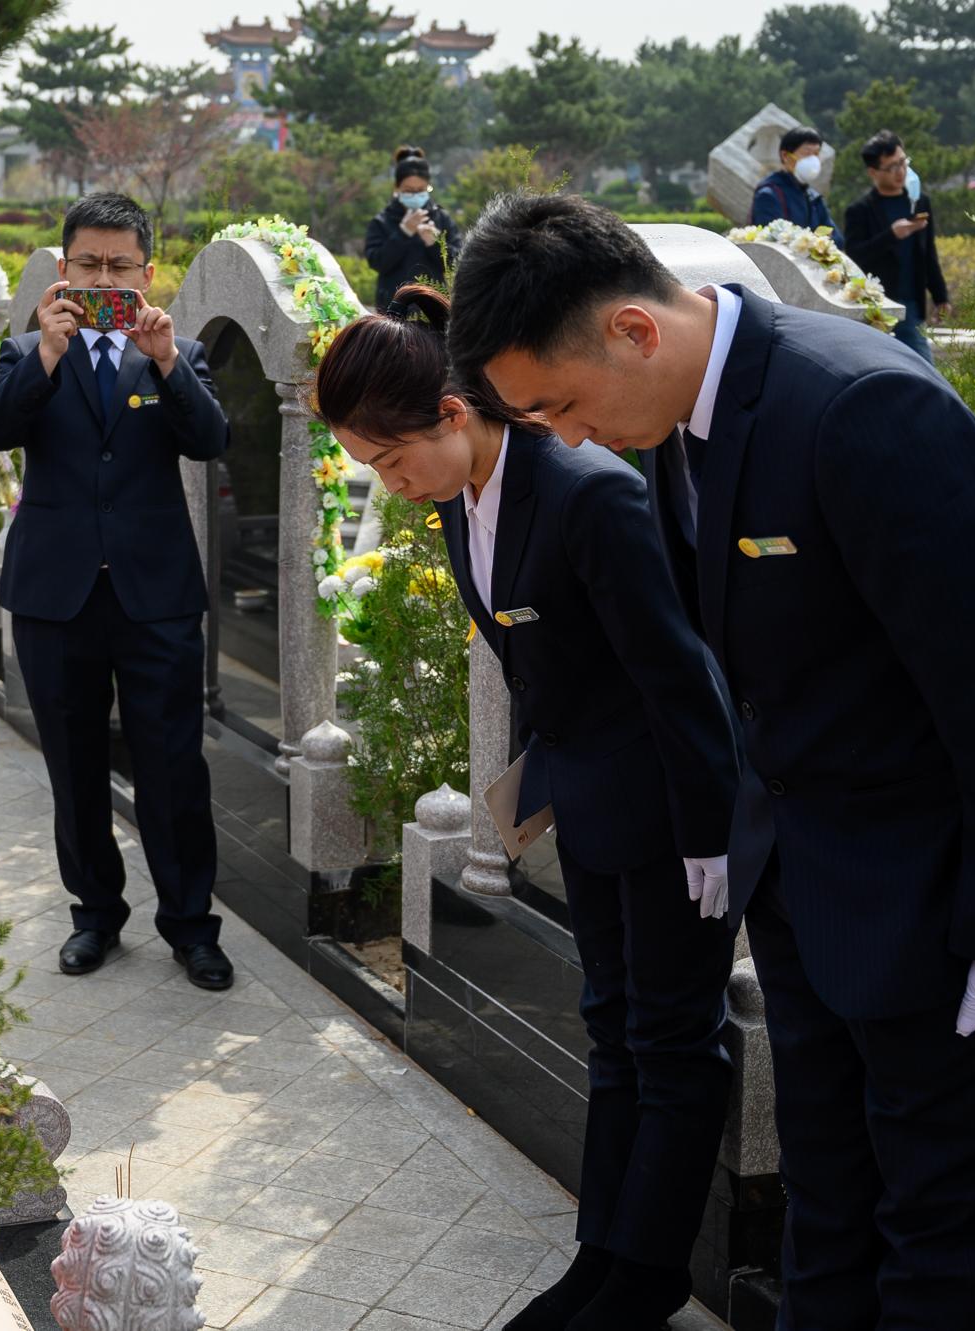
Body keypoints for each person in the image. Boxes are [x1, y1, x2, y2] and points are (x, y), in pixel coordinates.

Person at [448, 192, 975, 1331]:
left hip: (929, 917)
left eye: (558, 403)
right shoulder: (674, 426)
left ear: (632, 331)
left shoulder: (858, 408)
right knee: (825, 1208)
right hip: (800, 892)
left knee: (935, 1240)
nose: (565, 437)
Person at [314, 283, 740, 1331]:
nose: (390, 481)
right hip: (590, 797)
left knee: (674, 1036)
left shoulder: (588, 490)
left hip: (669, 807)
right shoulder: (465, 498)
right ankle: (602, 1249)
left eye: (388, 456)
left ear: (453, 413)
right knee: (610, 1024)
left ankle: (644, 1277)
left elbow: (677, 676)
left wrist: (708, 835)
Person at [0, 193, 235, 990]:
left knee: (173, 766)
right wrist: (48, 357)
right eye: (88, 264)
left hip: (155, 595)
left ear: (148, 275)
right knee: (74, 767)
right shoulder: (26, 355)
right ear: (63, 269)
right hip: (56, 596)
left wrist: (166, 363)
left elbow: (211, 439)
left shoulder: (176, 351)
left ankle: (192, 925)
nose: (103, 278)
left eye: (120, 266)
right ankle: (96, 915)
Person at [843, 130, 951, 363]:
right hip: (876, 305)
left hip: (911, 304)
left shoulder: (919, 202)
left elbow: (928, 252)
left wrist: (941, 295)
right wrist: (891, 235)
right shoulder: (860, 210)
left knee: (924, 369)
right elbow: (853, 257)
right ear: (873, 172)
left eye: (903, 162)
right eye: (892, 167)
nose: (900, 171)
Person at [364, 145, 462, 310]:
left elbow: (457, 262)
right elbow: (376, 262)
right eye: (409, 191)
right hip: (393, 308)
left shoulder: (441, 218)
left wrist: (435, 243)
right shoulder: (382, 221)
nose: (415, 195)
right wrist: (403, 233)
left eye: (421, 190)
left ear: (428, 187)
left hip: (434, 308)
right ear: (397, 188)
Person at [751, 126, 843, 248]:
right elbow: (771, 241)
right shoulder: (769, 195)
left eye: (816, 153)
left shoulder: (814, 198)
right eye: (806, 153)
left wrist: (814, 241)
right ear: (785, 156)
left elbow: (836, 238)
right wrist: (815, 240)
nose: (813, 159)